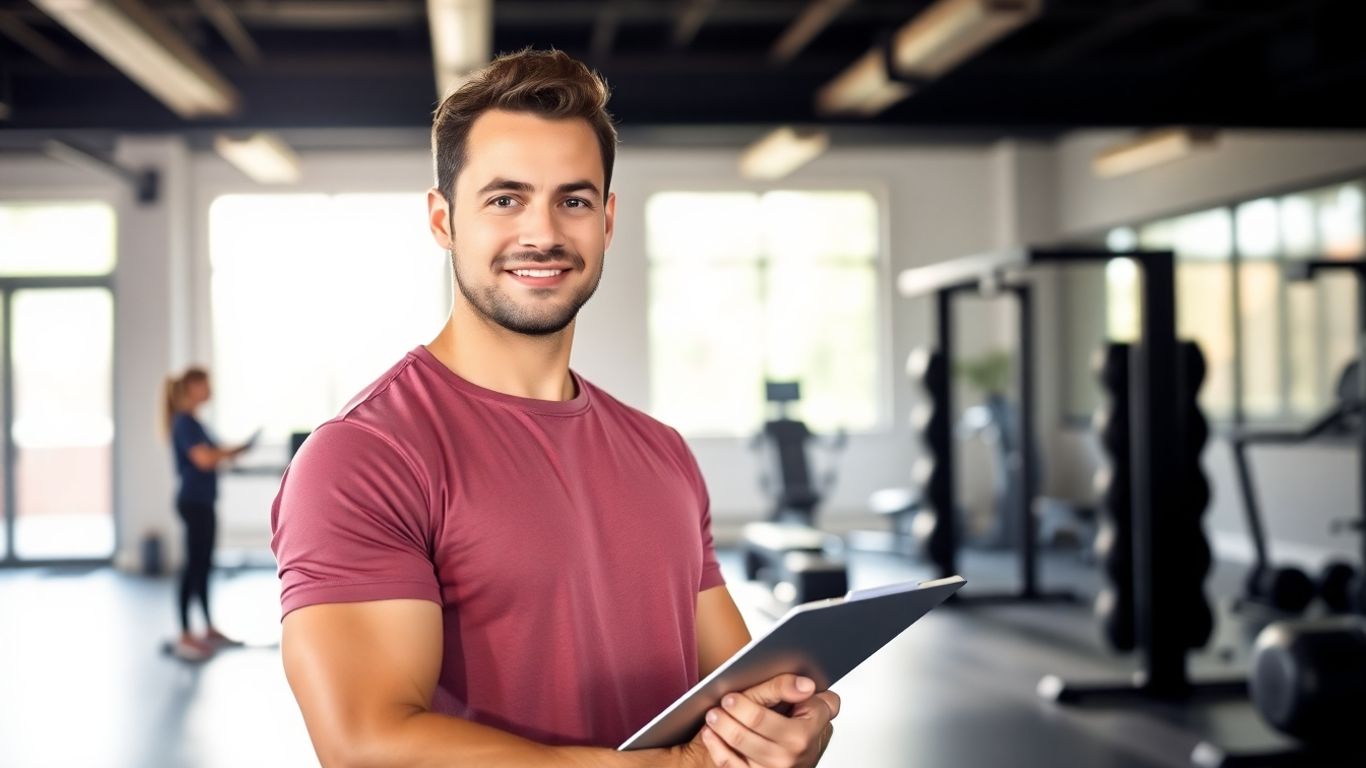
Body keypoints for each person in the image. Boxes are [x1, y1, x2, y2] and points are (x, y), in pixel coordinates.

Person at [269, 48, 839, 767]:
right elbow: (367, 742)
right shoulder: (364, 457)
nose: (542, 234)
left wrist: (784, 729)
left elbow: (739, 694)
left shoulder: (662, 451)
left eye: (572, 201)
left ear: (607, 220)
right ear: (443, 220)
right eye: (505, 200)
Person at [164, 367, 251, 662]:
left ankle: (208, 628)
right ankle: (185, 633)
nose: (210, 389)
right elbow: (203, 459)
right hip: (193, 501)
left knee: (203, 565)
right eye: (205, 384)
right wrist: (228, 452)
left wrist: (230, 451)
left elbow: (211, 454)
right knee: (192, 566)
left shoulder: (195, 422)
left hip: (204, 500)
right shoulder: (184, 422)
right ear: (192, 387)